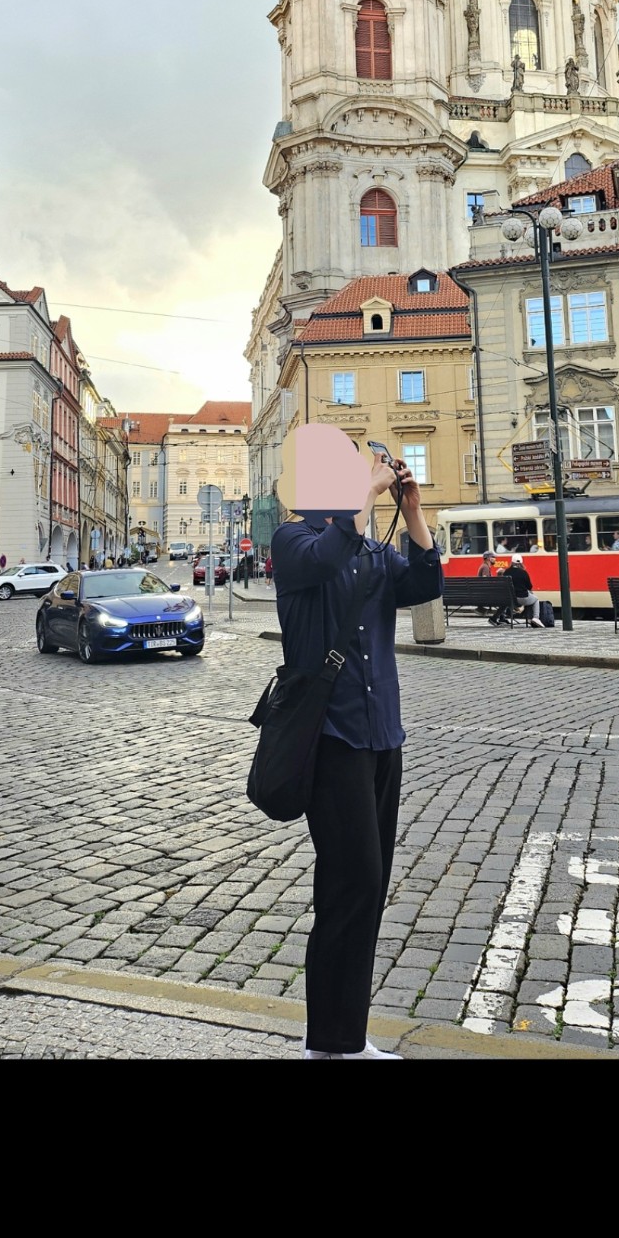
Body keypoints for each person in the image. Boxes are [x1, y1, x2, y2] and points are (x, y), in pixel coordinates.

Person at [272, 428, 442, 1060]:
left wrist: (413, 511)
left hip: (381, 735)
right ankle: (332, 1042)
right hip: (330, 737)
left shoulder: (372, 550)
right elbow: (324, 558)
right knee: (355, 882)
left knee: (365, 888)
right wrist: (364, 494)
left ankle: (338, 1039)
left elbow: (425, 584)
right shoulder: (293, 539)